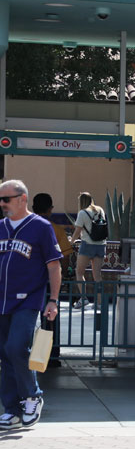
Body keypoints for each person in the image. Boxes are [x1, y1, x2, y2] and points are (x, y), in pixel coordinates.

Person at [0, 180, 61, 430]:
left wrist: (54, 299)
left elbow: (54, 265)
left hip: (29, 300)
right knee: (5, 354)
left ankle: (32, 396)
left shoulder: (41, 227)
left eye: (6, 199)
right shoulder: (1, 227)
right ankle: (11, 410)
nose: (2, 204)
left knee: (16, 347)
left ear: (23, 199)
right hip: (2, 301)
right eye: (0, 200)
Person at [32, 193, 73, 367]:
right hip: (48, 281)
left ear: (33, 208)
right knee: (49, 319)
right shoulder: (56, 229)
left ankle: (25, 353)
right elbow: (64, 257)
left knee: (25, 318)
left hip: (28, 281)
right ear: (50, 209)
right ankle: (50, 355)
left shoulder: (26, 227)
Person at [70, 191, 106, 309]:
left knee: (79, 272)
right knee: (97, 275)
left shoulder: (82, 213)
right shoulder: (100, 210)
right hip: (101, 245)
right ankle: (99, 303)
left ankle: (84, 298)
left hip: (87, 245)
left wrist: (71, 241)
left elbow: (77, 231)